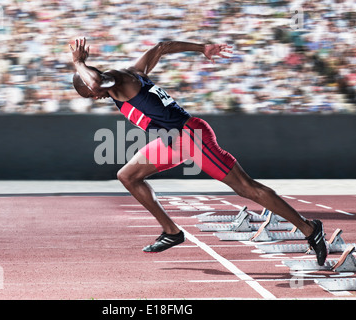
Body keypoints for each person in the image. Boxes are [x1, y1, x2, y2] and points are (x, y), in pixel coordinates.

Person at [70, 38, 328, 266]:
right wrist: (202, 48)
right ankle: (171, 232)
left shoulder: (117, 80)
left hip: (191, 136)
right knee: (128, 175)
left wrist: (79, 63)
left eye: (90, 94)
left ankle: (309, 228)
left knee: (246, 188)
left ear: (96, 80)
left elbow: (94, 81)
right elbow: (163, 47)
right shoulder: (131, 73)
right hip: (171, 141)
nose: (94, 97)